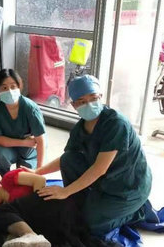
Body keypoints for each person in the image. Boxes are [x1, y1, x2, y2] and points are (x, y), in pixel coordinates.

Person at [34, 75, 152, 236]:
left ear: (101, 97)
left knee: (90, 225)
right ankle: (82, 201)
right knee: (69, 159)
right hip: (107, 180)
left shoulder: (116, 124)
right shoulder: (80, 129)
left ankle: (137, 212)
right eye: (82, 101)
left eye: (93, 98)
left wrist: (65, 191)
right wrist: (37, 172)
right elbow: (66, 158)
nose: (89, 104)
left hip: (129, 187)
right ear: (74, 105)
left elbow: (99, 169)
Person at [0, 69, 46, 177]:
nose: (9, 91)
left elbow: (40, 141)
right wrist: (24, 142)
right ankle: (4, 176)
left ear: (19, 87)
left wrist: (39, 171)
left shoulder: (30, 108)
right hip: (10, 148)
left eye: (13, 86)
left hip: (29, 150)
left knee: (24, 178)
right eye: (4, 88)